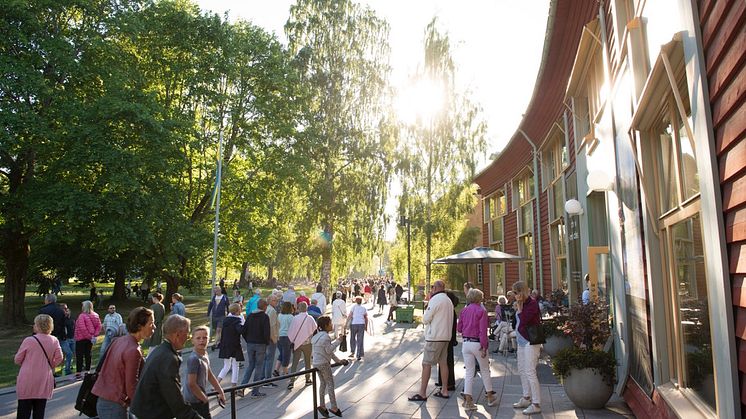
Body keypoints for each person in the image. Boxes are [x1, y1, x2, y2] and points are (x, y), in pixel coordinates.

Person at [131, 315, 202, 419]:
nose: (188, 337)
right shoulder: (168, 358)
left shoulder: (160, 350)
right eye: (187, 333)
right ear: (177, 335)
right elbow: (175, 401)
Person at [93, 307, 155, 418]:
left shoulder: (119, 340)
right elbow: (131, 387)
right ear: (140, 327)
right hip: (115, 406)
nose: (154, 327)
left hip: (104, 400)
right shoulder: (133, 350)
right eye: (151, 324)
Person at [408, 280, 454, 401]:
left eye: (432, 287)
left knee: (426, 363)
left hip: (435, 336)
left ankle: (422, 392)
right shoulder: (448, 300)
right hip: (446, 336)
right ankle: (444, 389)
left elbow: (425, 319)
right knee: (443, 363)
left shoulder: (435, 300)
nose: (431, 289)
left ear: (435, 288)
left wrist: (428, 304)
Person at [15, 314, 63, 419]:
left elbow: (17, 359)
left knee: (23, 411)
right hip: (44, 378)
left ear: (37, 325)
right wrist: (50, 365)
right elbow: (59, 358)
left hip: (27, 379)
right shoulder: (54, 340)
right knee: (39, 412)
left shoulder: (29, 340)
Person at [457, 288, 497, 410]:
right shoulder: (481, 311)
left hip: (466, 343)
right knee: (485, 370)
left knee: (469, 372)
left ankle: (468, 400)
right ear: (479, 298)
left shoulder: (464, 311)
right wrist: (484, 346)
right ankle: (490, 396)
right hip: (477, 343)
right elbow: (483, 331)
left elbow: (459, 328)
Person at [512, 281, 542, 415]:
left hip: (531, 341)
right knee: (522, 369)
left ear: (521, 292)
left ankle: (536, 403)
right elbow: (516, 323)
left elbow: (524, 320)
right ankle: (526, 397)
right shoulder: (522, 303)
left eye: (515, 292)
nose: (514, 295)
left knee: (530, 371)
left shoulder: (532, 304)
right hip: (521, 341)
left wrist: (519, 309)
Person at [183, 326, 226, 419]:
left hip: (200, 400)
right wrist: (204, 399)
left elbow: (209, 374)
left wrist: (220, 390)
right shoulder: (194, 359)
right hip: (194, 402)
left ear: (209, 339)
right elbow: (191, 383)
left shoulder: (204, 354)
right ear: (192, 340)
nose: (201, 341)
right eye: (198, 338)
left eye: (205, 338)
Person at [312, 316, 348, 418]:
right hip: (324, 363)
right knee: (330, 384)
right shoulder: (325, 337)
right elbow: (329, 350)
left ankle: (322, 405)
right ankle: (333, 407)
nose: (332, 325)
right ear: (326, 325)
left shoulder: (316, 336)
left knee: (322, 383)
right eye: (330, 323)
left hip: (316, 363)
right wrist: (338, 341)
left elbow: (328, 352)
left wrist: (338, 361)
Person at [240, 298, 270, 398]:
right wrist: (266, 342)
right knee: (259, 366)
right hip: (260, 344)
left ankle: (242, 387)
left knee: (251, 365)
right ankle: (255, 391)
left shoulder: (250, 316)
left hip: (250, 344)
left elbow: (243, 330)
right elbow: (266, 332)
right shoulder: (265, 317)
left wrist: (248, 339)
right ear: (265, 307)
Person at [287, 301, 317, 390]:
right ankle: (308, 379)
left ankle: (292, 381)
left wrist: (292, 340)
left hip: (297, 343)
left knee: (295, 362)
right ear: (306, 308)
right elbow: (314, 329)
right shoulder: (310, 318)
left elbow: (291, 330)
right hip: (307, 343)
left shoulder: (295, 318)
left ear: (299, 308)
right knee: (307, 362)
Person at [216, 303, 245, 389]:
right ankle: (234, 386)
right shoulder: (237, 320)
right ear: (237, 311)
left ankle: (217, 383)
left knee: (226, 365)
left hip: (225, 344)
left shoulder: (226, 320)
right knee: (236, 365)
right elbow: (240, 330)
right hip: (235, 345)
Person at [435, 291, 458, 392]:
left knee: (446, 361)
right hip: (448, 337)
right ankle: (442, 381)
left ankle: (449, 383)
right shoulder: (451, 310)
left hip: (447, 338)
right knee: (443, 360)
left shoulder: (450, 311)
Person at [75, 300, 101, 375]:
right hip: (90, 339)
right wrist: (93, 336)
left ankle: (78, 372)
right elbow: (99, 326)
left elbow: (82, 328)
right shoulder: (96, 315)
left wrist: (89, 336)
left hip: (81, 338)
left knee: (79, 355)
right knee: (88, 354)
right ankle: (87, 370)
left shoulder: (82, 316)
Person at [263, 294, 280, 383]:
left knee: (265, 358)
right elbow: (272, 326)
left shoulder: (267, 309)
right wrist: (274, 338)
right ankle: (268, 380)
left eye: (276, 300)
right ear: (269, 301)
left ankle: (263, 378)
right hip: (271, 338)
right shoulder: (272, 311)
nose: (276, 302)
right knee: (269, 359)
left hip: (265, 338)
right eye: (274, 300)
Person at [275, 302, 294, 377]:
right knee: (286, 354)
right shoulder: (291, 317)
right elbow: (293, 327)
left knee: (282, 353)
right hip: (287, 337)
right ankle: (285, 372)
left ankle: (276, 369)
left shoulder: (279, 315)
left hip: (279, 336)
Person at [347, 296, 368, 361]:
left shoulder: (353, 307)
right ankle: (359, 355)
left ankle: (352, 352)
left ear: (356, 301)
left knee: (352, 338)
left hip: (354, 324)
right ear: (361, 301)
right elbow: (366, 318)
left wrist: (346, 323)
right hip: (361, 324)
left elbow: (350, 315)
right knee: (360, 339)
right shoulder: (364, 308)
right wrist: (366, 326)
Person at [60, 304, 76, 375]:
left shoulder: (72, 319)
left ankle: (69, 366)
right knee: (68, 353)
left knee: (72, 353)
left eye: (68, 311)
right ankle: (66, 369)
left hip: (73, 338)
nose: (67, 312)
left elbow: (74, 327)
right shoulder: (62, 320)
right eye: (66, 311)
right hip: (66, 339)